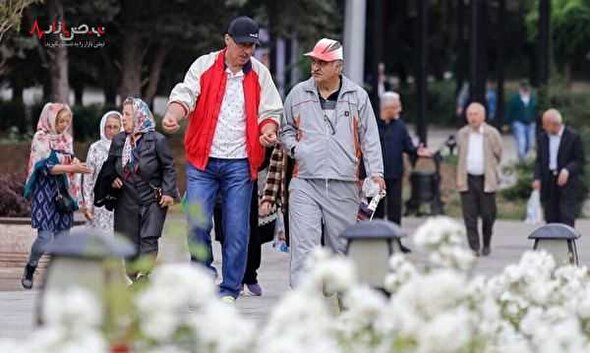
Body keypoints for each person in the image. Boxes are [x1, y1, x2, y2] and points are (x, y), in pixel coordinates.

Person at [161, 16, 282, 302]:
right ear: (227, 40)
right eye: (242, 44)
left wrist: (268, 131)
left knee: (237, 229)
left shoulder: (260, 74)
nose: (247, 51)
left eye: (252, 45)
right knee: (197, 223)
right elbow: (186, 94)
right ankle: (203, 277)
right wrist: (173, 114)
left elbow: (270, 111)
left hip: (241, 163)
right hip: (203, 162)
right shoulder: (204, 65)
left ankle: (230, 288)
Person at [280, 38, 385, 287]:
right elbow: (286, 130)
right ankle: (304, 305)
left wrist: (376, 173)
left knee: (343, 249)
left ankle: (346, 302)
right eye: (314, 61)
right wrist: (297, 149)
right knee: (304, 248)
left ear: (338, 67)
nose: (315, 67)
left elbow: (369, 137)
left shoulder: (358, 96)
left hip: (344, 182)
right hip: (304, 181)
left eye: (322, 63)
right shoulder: (298, 93)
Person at [21, 103, 92, 289]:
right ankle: (31, 265)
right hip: (44, 192)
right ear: (51, 120)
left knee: (62, 238)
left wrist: (76, 163)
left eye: (67, 121)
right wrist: (72, 167)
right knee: (44, 237)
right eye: (60, 121)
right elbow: (45, 167)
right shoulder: (41, 138)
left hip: (63, 191)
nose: (64, 125)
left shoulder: (66, 139)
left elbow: (68, 160)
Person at [108, 98, 178, 281]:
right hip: (126, 201)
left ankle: (143, 276)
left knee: (149, 238)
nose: (123, 118)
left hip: (152, 199)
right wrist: (112, 179)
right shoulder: (118, 141)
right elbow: (109, 168)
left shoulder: (157, 140)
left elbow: (169, 168)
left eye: (128, 114)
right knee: (128, 244)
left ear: (139, 116)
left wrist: (169, 192)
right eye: (123, 114)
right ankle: (135, 276)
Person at [375, 92, 431, 252]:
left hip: (395, 176)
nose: (399, 109)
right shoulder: (373, 124)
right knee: (377, 211)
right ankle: (377, 243)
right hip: (376, 178)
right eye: (396, 107)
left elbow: (408, 146)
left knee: (395, 211)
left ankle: (395, 243)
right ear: (387, 107)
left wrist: (418, 151)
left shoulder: (400, 125)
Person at [456, 102, 502, 256]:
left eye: (475, 114)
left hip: (486, 179)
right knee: (469, 215)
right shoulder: (462, 133)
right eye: (469, 114)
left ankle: (486, 242)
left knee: (488, 214)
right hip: (468, 178)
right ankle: (474, 247)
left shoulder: (491, 133)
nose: (472, 118)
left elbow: (498, 153)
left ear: (483, 116)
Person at [533, 109, 584, 227]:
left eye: (546, 125)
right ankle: (552, 243)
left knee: (566, 215)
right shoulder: (543, 138)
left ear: (554, 124)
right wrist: (537, 177)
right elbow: (539, 160)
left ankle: (567, 243)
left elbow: (579, 160)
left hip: (566, 181)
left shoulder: (573, 137)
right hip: (549, 179)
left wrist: (567, 170)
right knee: (551, 215)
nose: (544, 128)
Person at [82, 111, 122, 231]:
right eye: (108, 127)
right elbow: (88, 179)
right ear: (103, 127)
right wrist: (87, 204)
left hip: (121, 203)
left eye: (116, 127)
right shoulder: (95, 148)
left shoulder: (126, 148)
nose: (112, 131)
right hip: (100, 203)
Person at [506, 80, 538, 161]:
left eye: (526, 87)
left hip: (530, 123)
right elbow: (509, 111)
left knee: (530, 144)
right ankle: (521, 160)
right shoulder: (515, 99)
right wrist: (507, 123)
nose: (525, 89)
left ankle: (523, 156)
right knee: (521, 141)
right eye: (523, 87)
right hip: (518, 123)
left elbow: (536, 111)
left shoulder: (533, 99)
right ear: (520, 88)